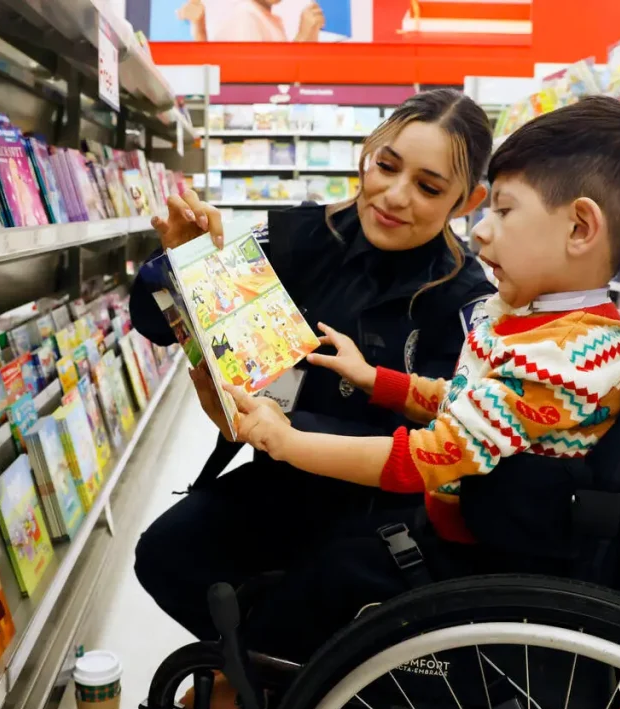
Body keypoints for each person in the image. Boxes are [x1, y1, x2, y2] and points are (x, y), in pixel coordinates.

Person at [129, 89, 494, 667]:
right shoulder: (303, 238)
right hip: (282, 485)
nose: (394, 196)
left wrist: (292, 425)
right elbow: (155, 320)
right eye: (387, 165)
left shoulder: (465, 298)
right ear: (366, 154)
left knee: (305, 619)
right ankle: (265, 669)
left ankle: (270, 672)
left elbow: (447, 445)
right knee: (165, 555)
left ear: (468, 199)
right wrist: (186, 262)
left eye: (428, 187)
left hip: (383, 517)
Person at [227, 96, 620, 547]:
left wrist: (290, 442)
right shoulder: (540, 323)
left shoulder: (560, 361)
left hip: (470, 546)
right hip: (442, 517)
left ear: (579, 229)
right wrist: (376, 379)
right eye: (386, 165)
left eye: (504, 210)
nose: (480, 231)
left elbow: (436, 453)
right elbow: (467, 398)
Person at [176, 0, 325, 42]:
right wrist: (304, 36)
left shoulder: (270, 18)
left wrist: (310, 34)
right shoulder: (244, 16)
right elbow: (261, 85)